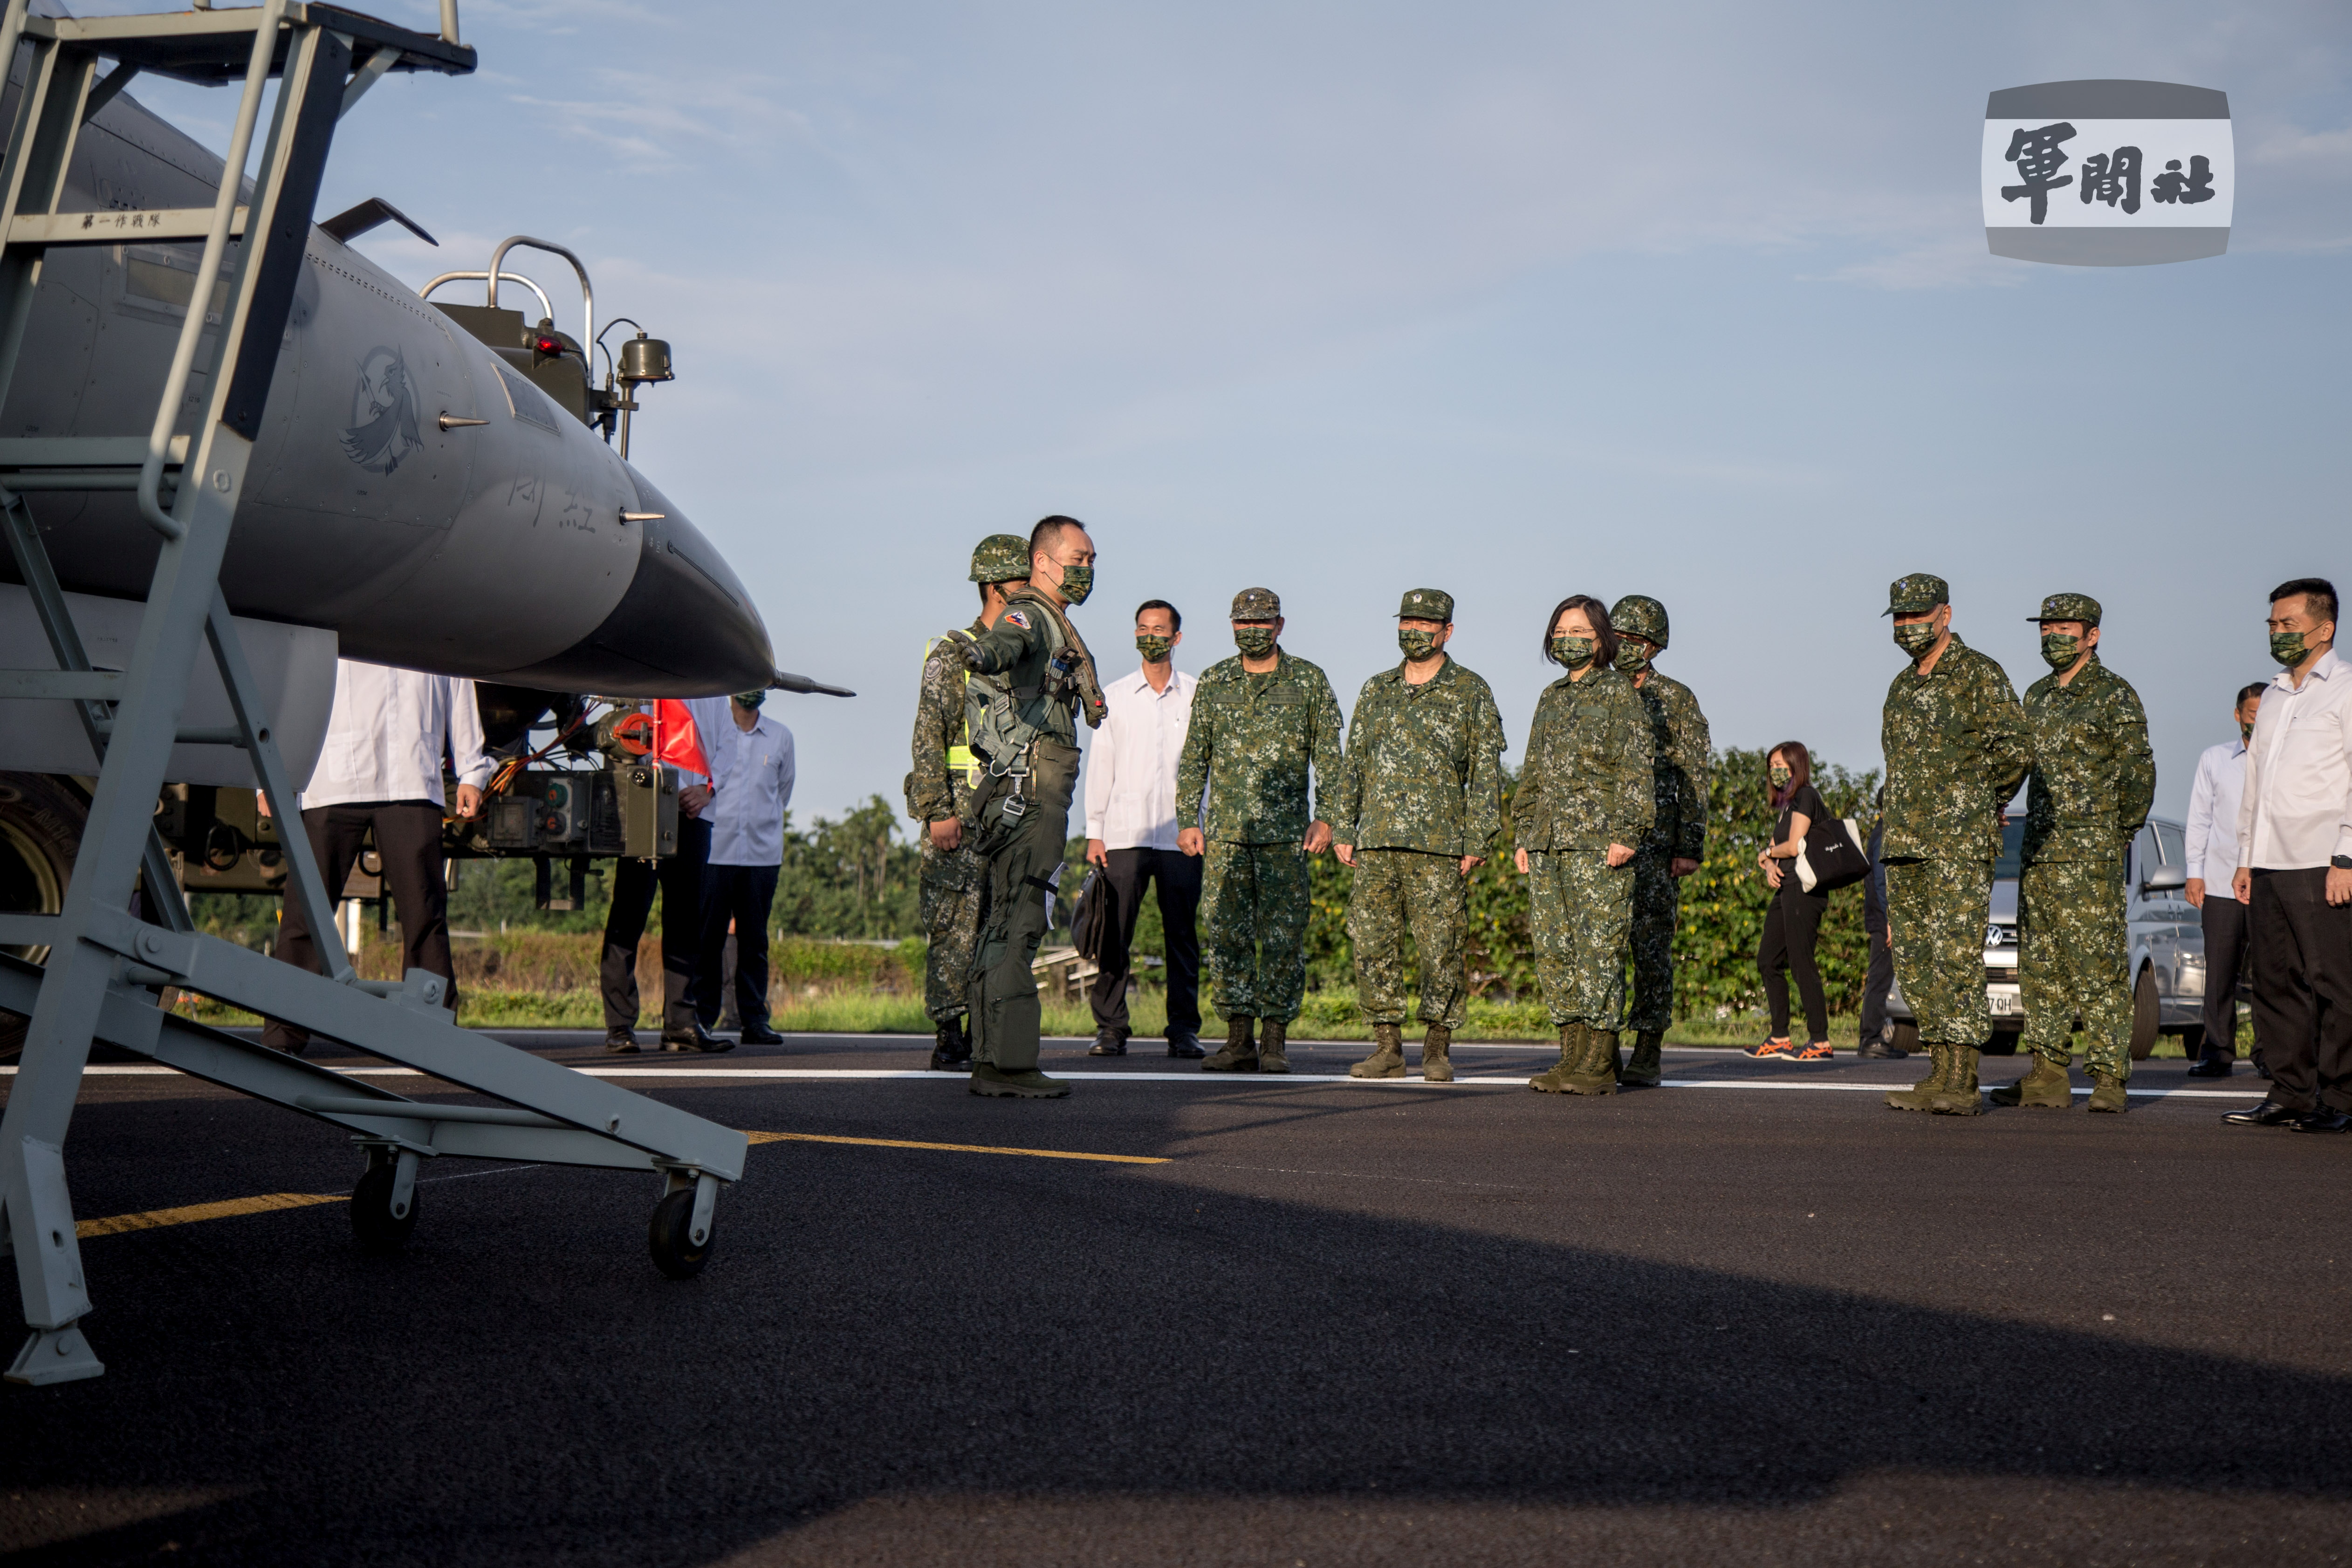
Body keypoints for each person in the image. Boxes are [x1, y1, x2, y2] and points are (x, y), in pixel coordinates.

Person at [953, 514, 1108, 1098]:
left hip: (1027, 788)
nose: (1087, 567)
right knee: (1019, 923)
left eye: (1092, 559)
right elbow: (1005, 641)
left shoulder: (1053, 619)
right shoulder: (1032, 615)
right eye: (1078, 556)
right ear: (1041, 561)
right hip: (1033, 789)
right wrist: (986, 652)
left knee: (1005, 921)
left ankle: (993, 1057)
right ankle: (1009, 1065)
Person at [261, 659, 490, 1055]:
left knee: (424, 914)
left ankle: (432, 1034)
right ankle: (283, 1035)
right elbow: (295, 687)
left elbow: (457, 679)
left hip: (412, 780)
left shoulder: (438, 611)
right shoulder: (333, 600)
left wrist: (471, 770)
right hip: (331, 780)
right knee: (305, 914)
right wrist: (270, 774)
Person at [1332, 588, 1508, 1082]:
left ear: (1446, 631)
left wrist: (1478, 839)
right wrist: (1345, 825)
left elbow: (1485, 774)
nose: (1413, 632)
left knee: (1441, 948)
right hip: (1378, 839)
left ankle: (1437, 1047)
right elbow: (1355, 765)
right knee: (1372, 943)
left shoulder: (1470, 690)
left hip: (1439, 843)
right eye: (1406, 622)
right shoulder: (1376, 688)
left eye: (1424, 625)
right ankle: (1387, 1046)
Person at [1991, 594, 2155, 1113]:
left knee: (2099, 967)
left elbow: (2138, 772)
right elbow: (2017, 762)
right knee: (2040, 967)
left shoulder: (2114, 695)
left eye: (2064, 627)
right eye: (2046, 627)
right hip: (2038, 853)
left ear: (2092, 635)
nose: (2052, 636)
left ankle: (2108, 1076)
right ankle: (2047, 1072)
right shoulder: (2036, 695)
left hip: (2090, 857)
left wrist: (2116, 832)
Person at [1174, 587, 1346, 1074]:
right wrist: (1189, 817)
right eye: (1243, 623)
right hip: (1227, 832)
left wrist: (1327, 815)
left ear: (1280, 625)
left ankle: (1274, 1041)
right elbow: (1195, 756)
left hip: (1287, 833)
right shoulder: (1215, 680)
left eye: (1262, 622)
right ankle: (1237, 1040)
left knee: (1283, 936)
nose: (1253, 630)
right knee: (1226, 935)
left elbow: (1328, 755)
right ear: (1232, 626)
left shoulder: (1308, 680)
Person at [1877, 573, 2030, 1115]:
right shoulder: (1901, 686)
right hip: (1905, 841)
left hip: (1956, 842)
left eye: (1917, 616)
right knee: (1916, 958)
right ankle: (1939, 1069)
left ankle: (1963, 1078)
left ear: (1945, 614)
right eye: (1899, 617)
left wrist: (1980, 798)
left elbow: (2016, 748)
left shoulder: (1977, 674)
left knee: (1955, 955)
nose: (1907, 626)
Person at [2224, 578, 2352, 1133]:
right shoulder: (2273, 695)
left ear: (2323, 629)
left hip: (2322, 861)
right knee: (2276, 982)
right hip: (2270, 863)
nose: (2277, 633)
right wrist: (2245, 856)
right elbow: (2255, 779)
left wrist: (2346, 856)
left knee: (2335, 983)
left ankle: (2342, 1097)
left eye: (2288, 625)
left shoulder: (2346, 689)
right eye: (2272, 624)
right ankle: (2290, 1092)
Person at [1514, 596, 1653, 1094]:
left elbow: (1635, 765)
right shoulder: (1550, 696)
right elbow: (1533, 772)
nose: (1567, 638)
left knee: (1599, 949)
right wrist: (1525, 833)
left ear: (1601, 639)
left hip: (1599, 844)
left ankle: (1599, 1061)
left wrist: (1627, 833)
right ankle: (1570, 1056)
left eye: (1579, 630)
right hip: (1548, 842)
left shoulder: (1618, 692)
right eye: (1560, 630)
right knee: (1556, 951)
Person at [906, 534, 1029, 1071]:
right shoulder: (954, 652)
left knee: (1003, 921)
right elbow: (928, 734)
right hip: (960, 806)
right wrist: (936, 810)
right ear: (995, 586)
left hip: (1015, 811)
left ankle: (990, 1025)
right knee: (954, 921)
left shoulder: (1031, 657)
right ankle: (949, 1031)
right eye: (1024, 581)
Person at [1082, 599, 1203, 1059]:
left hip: (1182, 836)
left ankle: (1183, 1030)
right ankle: (1111, 1028)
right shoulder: (1114, 695)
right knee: (1114, 933)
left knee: (1182, 937)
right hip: (1124, 834)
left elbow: (1206, 767)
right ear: (1135, 635)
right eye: (1142, 628)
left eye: (1159, 629)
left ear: (1176, 638)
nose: (1150, 635)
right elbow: (1101, 767)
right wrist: (1096, 831)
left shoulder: (1196, 695)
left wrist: (1201, 823)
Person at [1609, 595, 1710, 1088]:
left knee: (1650, 950)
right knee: (1600, 948)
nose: (1623, 647)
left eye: (1633, 640)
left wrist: (1689, 846)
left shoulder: (1676, 699)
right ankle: (1600, 1046)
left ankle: (1647, 1047)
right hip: (1598, 841)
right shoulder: (1595, 691)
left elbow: (1693, 775)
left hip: (1655, 844)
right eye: (1617, 637)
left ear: (1653, 645)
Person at [601, 695, 733, 1053]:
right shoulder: (639, 680)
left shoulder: (712, 689)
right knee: (629, 914)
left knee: (687, 920)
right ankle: (620, 1025)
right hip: (642, 803)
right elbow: (617, 737)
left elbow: (727, 745)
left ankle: (681, 1022)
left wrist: (707, 789)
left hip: (693, 811)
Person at [696, 689, 795, 1047]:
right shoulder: (712, 733)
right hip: (716, 851)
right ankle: (702, 1019)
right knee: (707, 942)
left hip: (761, 856)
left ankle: (754, 1020)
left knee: (755, 941)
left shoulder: (781, 736)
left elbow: (783, 792)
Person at [2183, 683, 2266, 1078]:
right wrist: (2194, 872)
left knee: (2272, 973)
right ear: (2238, 715)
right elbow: (2199, 818)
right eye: (2252, 714)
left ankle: (2272, 1055)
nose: (2257, 721)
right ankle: (2217, 1051)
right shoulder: (2214, 759)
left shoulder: (2282, 761)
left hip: (2269, 883)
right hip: (2219, 883)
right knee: (2219, 973)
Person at [1751, 741, 1834, 1061]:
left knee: (1801, 962)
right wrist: (1770, 863)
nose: (1774, 770)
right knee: (1768, 960)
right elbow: (1773, 849)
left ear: (1795, 765)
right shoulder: (1786, 805)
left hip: (1804, 888)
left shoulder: (1806, 796)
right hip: (1785, 886)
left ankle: (1819, 1040)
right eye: (1771, 764)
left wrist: (1769, 854)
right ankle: (1780, 1036)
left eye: (1780, 763)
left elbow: (1794, 844)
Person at [1856, 787, 1906, 1058]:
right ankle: (1872, 1039)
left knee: (1880, 978)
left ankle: (1872, 1037)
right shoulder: (1886, 834)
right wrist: (1891, 921)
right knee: (1879, 979)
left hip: (1880, 918)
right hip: (1884, 921)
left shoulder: (1882, 831)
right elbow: (1882, 881)